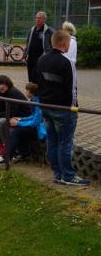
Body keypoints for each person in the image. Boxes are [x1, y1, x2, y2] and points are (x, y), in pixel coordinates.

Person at [37, 30, 88, 186]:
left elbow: (38, 83)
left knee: (52, 142)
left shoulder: (42, 59)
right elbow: (72, 89)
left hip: (45, 106)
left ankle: (57, 174)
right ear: (65, 44)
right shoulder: (67, 63)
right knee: (65, 143)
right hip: (63, 110)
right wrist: (73, 108)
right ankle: (68, 176)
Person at [0, 83, 46, 167]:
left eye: (26, 90)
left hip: (39, 130)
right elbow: (33, 116)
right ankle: (20, 153)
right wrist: (21, 119)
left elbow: (36, 122)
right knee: (16, 129)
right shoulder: (33, 100)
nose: (25, 92)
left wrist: (19, 123)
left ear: (31, 92)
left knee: (17, 131)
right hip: (34, 126)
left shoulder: (38, 102)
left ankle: (6, 157)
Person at [25, 11, 54, 83]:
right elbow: (28, 43)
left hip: (41, 58)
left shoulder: (49, 31)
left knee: (39, 78)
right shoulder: (32, 30)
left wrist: (49, 55)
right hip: (31, 58)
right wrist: (25, 54)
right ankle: (31, 92)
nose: (38, 20)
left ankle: (39, 92)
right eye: (36, 18)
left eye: (40, 18)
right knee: (31, 77)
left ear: (44, 19)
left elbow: (54, 44)